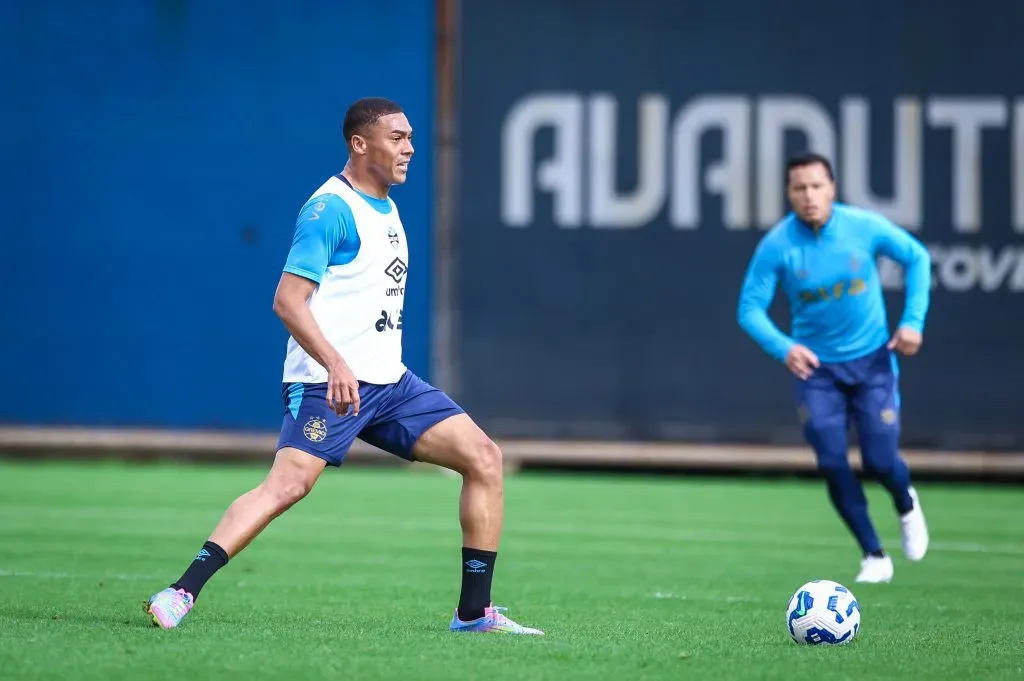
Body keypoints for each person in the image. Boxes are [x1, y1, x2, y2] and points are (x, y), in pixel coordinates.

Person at [145, 97, 543, 635]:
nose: (409, 148)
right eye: (397, 138)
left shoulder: (387, 206)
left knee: (485, 459)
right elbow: (287, 299)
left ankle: (474, 614)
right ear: (360, 144)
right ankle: (181, 591)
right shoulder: (330, 209)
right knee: (287, 487)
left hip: (390, 383)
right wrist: (335, 363)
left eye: (410, 137)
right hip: (325, 383)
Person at [737, 152, 931, 584]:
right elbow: (749, 309)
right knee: (831, 460)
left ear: (833, 188)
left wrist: (913, 322)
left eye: (816, 186)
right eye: (799, 188)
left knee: (881, 461)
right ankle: (874, 555)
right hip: (817, 372)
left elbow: (917, 257)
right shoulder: (778, 245)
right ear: (788, 194)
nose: (809, 196)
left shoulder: (861, 227)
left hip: (872, 363)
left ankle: (904, 500)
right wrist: (783, 347)